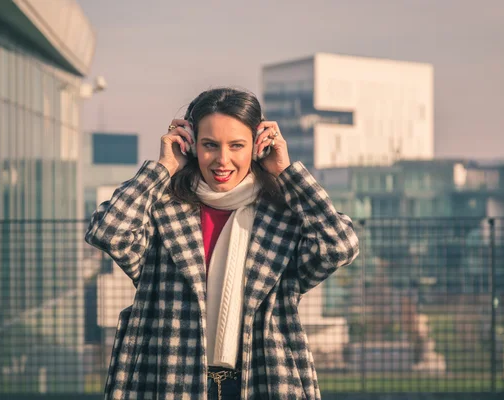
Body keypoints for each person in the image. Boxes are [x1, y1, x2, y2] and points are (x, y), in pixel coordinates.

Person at [85, 87, 359, 400]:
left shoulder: (281, 219)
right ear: (191, 147)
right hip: (172, 379)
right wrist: (162, 168)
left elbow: (340, 245)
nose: (222, 160)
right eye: (210, 145)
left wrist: (287, 173)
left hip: (264, 379)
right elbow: (107, 231)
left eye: (237, 145)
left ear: (257, 148)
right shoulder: (162, 211)